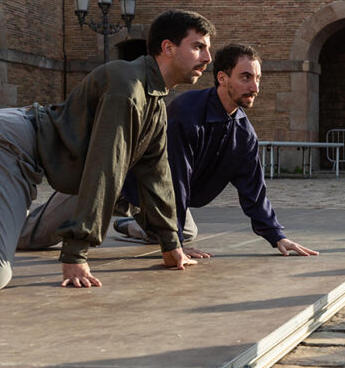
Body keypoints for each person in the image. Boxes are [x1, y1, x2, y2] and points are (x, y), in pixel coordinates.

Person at [0, 9, 213, 291]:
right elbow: (105, 168)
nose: (207, 58)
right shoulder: (128, 88)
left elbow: (156, 176)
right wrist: (76, 253)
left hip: (25, 153)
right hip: (6, 144)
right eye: (198, 47)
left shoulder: (154, 102)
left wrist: (171, 244)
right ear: (168, 47)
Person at [22, 44, 318, 260]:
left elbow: (254, 191)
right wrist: (171, 243)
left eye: (257, 78)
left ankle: (131, 224)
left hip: (153, 196)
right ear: (222, 78)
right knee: (29, 238)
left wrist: (276, 236)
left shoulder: (244, 134)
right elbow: (172, 176)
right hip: (111, 179)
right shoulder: (187, 112)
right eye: (245, 77)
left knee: (186, 232)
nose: (254, 87)